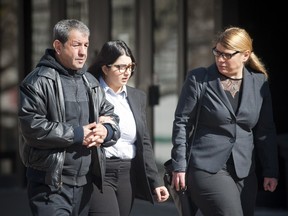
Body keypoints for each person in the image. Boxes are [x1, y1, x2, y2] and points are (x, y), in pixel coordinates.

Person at [171, 26, 279, 216]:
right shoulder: (199, 79)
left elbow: (265, 130)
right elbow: (182, 123)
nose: (220, 59)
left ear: (245, 55)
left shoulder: (259, 82)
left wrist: (271, 170)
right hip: (206, 166)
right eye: (217, 53)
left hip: (244, 170)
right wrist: (179, 166)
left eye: (227, 55)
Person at [18, 19, 121, 216]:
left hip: (86, 186)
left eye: (86, 45)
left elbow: (112, 116)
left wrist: (106, 131)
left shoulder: (90, 82)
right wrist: (77, 133)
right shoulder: (37, 82)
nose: (83, 52)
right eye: (76, 45)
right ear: (58, 46)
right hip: (50, 186)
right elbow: (32, 127)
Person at [87, 40, 169, 216]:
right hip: (99, 173)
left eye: (130, 66)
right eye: (120, 67)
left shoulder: (137, 96)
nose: (127, 72)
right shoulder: (90, 93)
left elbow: (143, 142)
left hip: (127, 173)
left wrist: (156, 181)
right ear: (105, 68)